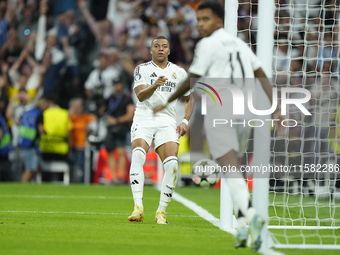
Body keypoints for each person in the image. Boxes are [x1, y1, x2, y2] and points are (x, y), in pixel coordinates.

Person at [153, 1, 283, 251]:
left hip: (222, 109)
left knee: (229, 167)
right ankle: (244, 227)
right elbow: (261, 75)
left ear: (219, 21)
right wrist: (275, 108)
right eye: (198, 19)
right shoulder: (239, 44)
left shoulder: (206, 44)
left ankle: (250, 212)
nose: (200, 24)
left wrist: (167, 101)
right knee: (235, 167)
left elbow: (193, 78)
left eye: (205, 19)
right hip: (248, 109)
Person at [128, 36, 192, 224]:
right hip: (144, 116)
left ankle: (161, 211)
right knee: (138, 155)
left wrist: (185, 121)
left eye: (164, 46)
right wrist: (154, 86)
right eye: (157, 46)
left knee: (172, 164)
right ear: (151, 50)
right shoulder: (142, 69)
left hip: (167, 119)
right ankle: (138, 207)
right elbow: (140, 95)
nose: (161, 49)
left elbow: (190, 98)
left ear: (169, 51)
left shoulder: (179, 72)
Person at [104, 78, 135, 184]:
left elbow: (131, 113)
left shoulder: (127, 98)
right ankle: (113, 177)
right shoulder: (110, 97)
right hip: (110, 127)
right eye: (115, 84)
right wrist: (106, 118)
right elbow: (104, 110)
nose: (117, 86)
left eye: (119, 84)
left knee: (121, 151)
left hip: (122, 127)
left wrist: (116, 120)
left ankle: (121, 176)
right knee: (110, 152)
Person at [19, 98, 49, 183]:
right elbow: (41, 129)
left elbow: (17, 122)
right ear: (42, 105)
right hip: (31, 144)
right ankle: (23, 187)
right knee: (31, 168)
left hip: (23, 141)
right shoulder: (39, 114)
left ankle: (28, 184)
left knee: (37, 167)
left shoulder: (27, 112)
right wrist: (47, 133)